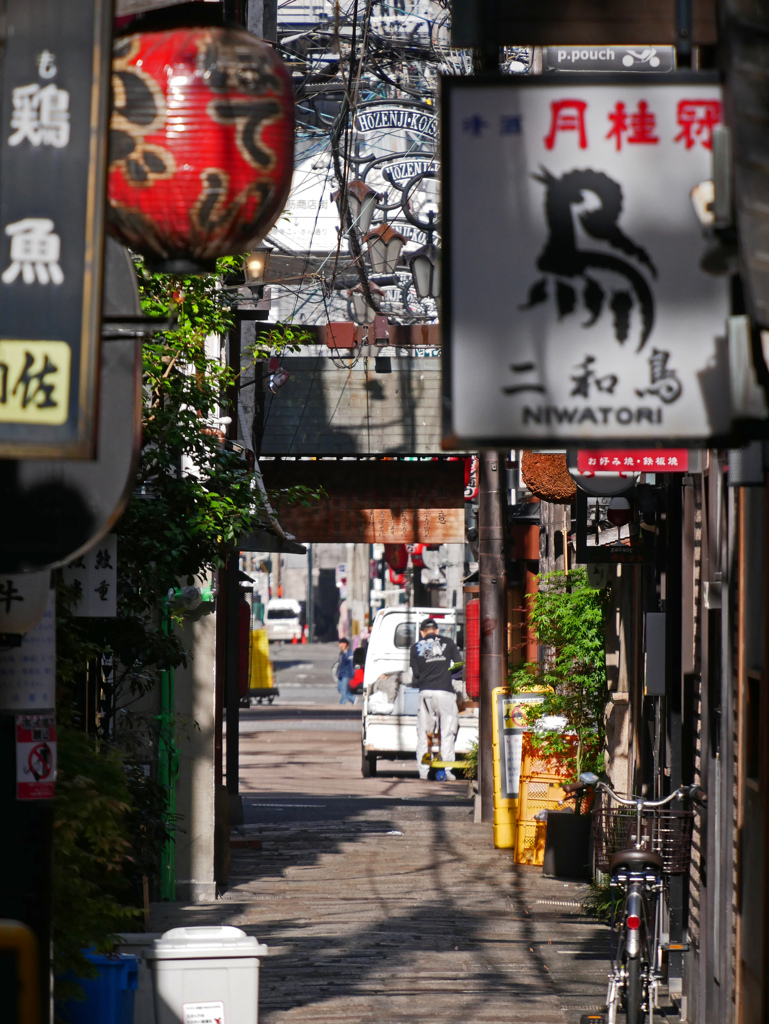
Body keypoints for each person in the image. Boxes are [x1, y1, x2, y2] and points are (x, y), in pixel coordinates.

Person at [409, 618, 462, 781]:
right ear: (437, 631)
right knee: (447, 731)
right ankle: (448, 770)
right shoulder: (449, 643)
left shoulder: (415, 647)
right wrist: (447, 674)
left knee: (424, 732)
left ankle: (423, 772)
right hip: (445, 691)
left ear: (422, 632)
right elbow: (459, 665)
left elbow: (416, 674)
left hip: (425, 692)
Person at [336, 637, 355, 704]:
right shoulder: (341, 653)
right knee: (339, 688)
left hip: (347, 674)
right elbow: (340, 664)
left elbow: (351, 664)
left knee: (343, 689)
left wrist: (352, 674)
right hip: (341, 674)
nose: (340, 645)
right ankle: (352, 698)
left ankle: (342, 702)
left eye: (341, 643)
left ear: (345, 644)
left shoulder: (349, 653)